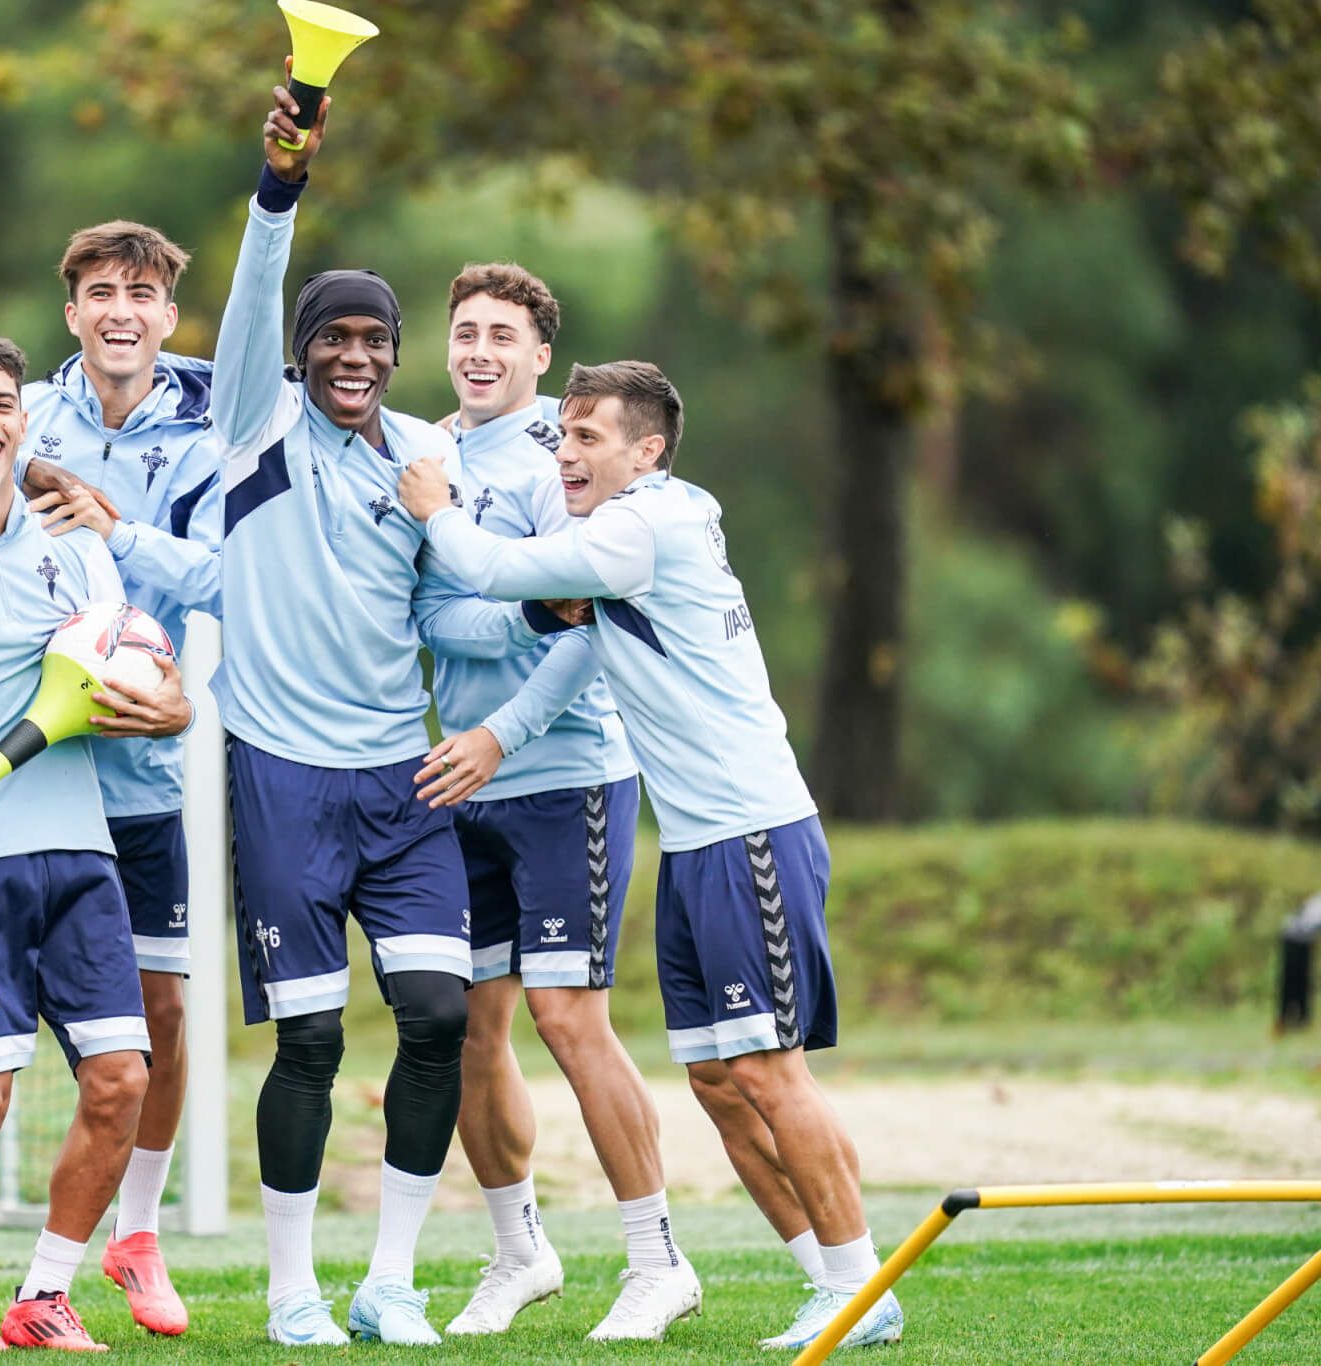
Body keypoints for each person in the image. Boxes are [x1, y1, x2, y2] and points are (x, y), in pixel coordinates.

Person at [397, 360, 905, 1352]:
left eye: (589, 439)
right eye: (563, 437)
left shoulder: (637, 528)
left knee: (767, 1071)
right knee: (720, 1079)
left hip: (748, 831)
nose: (566, 455)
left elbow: (491, 572)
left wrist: (431, 506)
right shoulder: (661, 514)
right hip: (695, 842)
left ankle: (859, 1286)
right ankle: (830, 1283)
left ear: (646, 451)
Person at [208, 74, 569, 1348]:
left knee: (434, 1019)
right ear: (303, 353)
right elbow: (257, 298)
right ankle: (292, 1287)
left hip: (399, 782)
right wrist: (279, 188)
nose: (352, 356)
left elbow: (443, 618)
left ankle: (390, 1279)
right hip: (282, 780)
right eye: (333, 339)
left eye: (373, 341)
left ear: (393, 358)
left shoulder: (426, 456)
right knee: (305, 1038)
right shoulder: (250, 425)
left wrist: (538, 612)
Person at [420, 265, 700, 1343]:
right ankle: (517, 1251)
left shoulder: (565, 457)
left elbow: (581, 626)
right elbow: (437, 610)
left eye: (502, 334)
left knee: (566, 1016)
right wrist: (476, 615)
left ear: (540, 356)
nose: (478, 349)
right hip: (460, 782)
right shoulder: (428, 453)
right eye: (464, 332)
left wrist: (498, 727)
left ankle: (654, 1258)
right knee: (461, 1027)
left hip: (562, 777)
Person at [0, 329, 194, 1353]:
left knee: (121, 1078)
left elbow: (143, 669)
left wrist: (171, 707)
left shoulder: (76, 553)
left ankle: (44, 1292)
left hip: (82, 854)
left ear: (22, 422)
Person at [14, 219, 223, 1336]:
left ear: (167, 316)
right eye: (101, 291)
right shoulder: (21, 418)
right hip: (28, 774)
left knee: (163, 1015)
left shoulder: (208, 428)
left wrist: (123, 532)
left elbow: (239, 578)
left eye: (141, 293)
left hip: (140, 772)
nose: (120, 311)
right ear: (72, 313)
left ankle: (132, 1237)